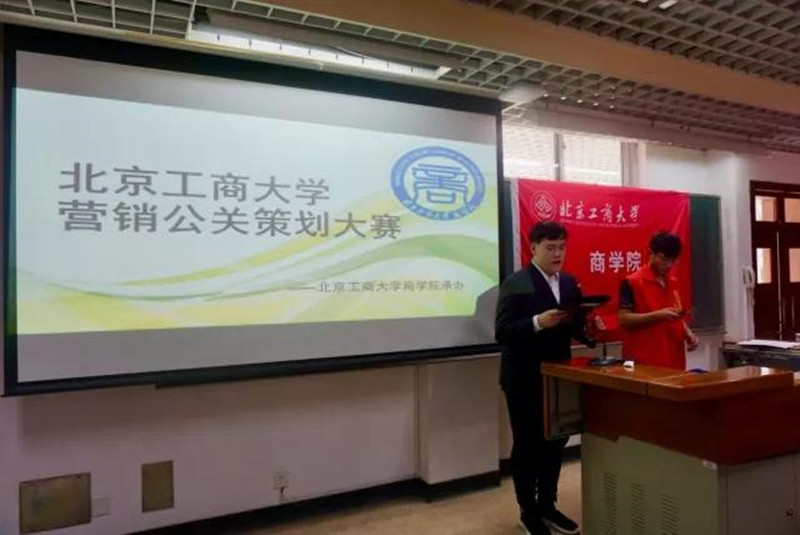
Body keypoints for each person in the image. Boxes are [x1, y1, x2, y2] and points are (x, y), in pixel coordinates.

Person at [495, 221, 591, 535]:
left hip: (558, 375)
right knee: (527, 445)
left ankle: (548, 504)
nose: (557, 253)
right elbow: (503, 332)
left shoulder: (569, 282)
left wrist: (588, 329)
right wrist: (538, 322)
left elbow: (573, 325)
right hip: (523, 377)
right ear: (533, 247)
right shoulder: (517, 282)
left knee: (555, 442)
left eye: (562, 247)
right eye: (550, 247)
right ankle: (528, 511)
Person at [618, 231, 698, 369]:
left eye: (673, 260)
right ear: (651, 253)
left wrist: (688, 333)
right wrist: (659, 315)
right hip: (645, 360)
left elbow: (676, 315)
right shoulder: (632, 282)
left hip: (674, 358)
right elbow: (624, 319)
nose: (669, 265)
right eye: (664, 259)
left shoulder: (673, 282)